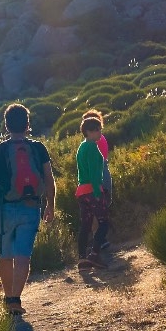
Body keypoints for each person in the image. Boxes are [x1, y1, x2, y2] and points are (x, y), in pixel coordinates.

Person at [0, 102, 54, 317]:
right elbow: (49, 179)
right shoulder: (38, 148)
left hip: (4, 209)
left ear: (6, 125)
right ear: (28, 124)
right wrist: (51, 205)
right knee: (23, 257)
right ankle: (15, 299)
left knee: (5, 255)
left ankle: (8, 298)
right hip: (31, 208)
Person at [73, 109, 113, 269]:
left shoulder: (81, 148)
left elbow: (81, 172)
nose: (100, 133)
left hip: (81, 191)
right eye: (98, 130)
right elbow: (94, 173)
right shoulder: (91, 147)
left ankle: (82, 258)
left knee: (86, 225)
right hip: (92, 191)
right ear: (89, 131)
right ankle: (94, 255)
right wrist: (99, 191)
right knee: (103, 223)